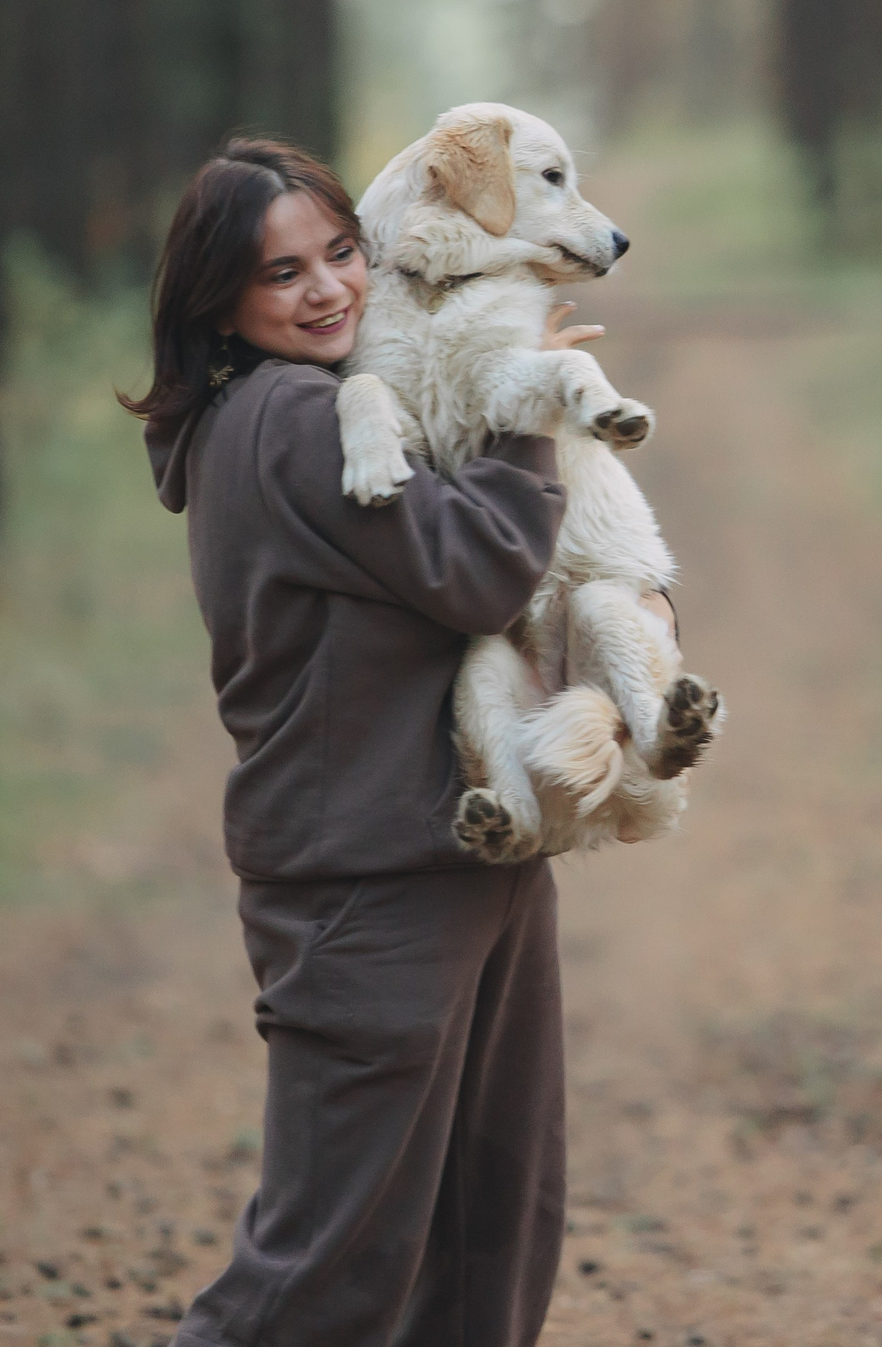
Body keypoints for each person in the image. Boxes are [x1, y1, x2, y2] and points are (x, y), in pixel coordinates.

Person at [126, 136, 592, 1346]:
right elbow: (481, 566)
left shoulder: (323, 403)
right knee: (322, 1275)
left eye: (341, 252)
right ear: (217, 304)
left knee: (487, 1240)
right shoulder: (290, 417)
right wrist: (527, 409)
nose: (329, 289)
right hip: (369, 888)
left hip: (464, 853)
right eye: (282, 274)